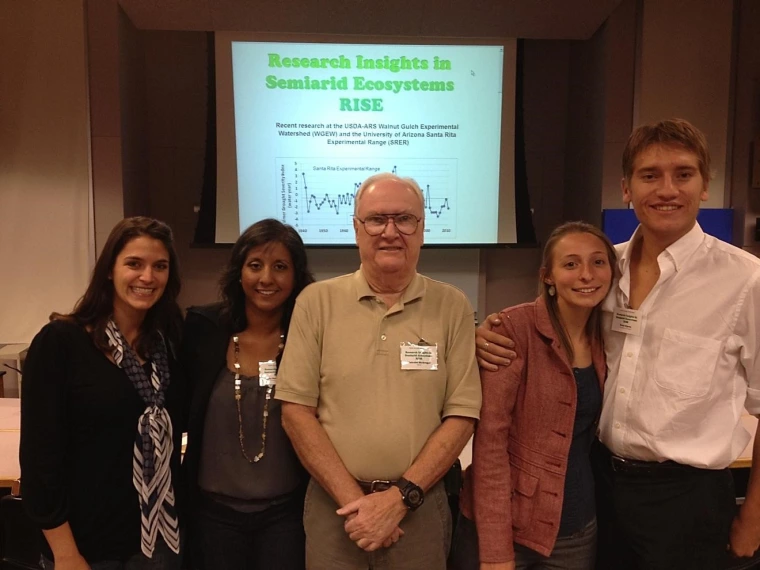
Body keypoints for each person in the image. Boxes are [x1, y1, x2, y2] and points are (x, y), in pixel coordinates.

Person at [477, 118, 760, 569]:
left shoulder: (746, 280)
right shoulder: (607, 267)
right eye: (650, 175)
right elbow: (548, 321)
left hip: (686, 500)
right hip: (601, 485)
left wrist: (754, 518)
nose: (666, 189)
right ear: (626, 188)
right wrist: (491, 331)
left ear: (705, 185)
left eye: (683, 174)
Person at [275, 172, 482, 570]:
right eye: (376, 219)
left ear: (422, 230)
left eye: (405, 220)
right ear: (356, 229)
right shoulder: (316, 302)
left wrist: (399, 500)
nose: (391, 232)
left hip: (420, 511)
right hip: (334, 512)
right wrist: (359, 507)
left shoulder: (452, 306)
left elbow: (462, 415)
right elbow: (296, 412)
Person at [20, 217, 185, 570]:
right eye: (134, 264)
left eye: (160, 266)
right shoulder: (61, 343)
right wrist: (66, 554)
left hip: (157, 542)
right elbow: (39, 461)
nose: (148, 277)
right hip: (85, 548)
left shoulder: (166, 345)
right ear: (109, 270)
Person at [449, 221, 615, 570]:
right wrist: (496, 553)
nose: (586, 274)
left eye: (598, 262)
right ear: (548, 276)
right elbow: (491, 446)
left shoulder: (606, 335)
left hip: (576, 530)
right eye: (570, 264)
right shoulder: (512, 330)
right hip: (507, 527)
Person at [180, 219, 315, 569]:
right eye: (255, 265)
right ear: (239, 271)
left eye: (280, 267)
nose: (266, 278)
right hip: (212, 517)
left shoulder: (311, 340)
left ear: (297, 276)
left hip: (285, 518)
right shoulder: (202, 330)